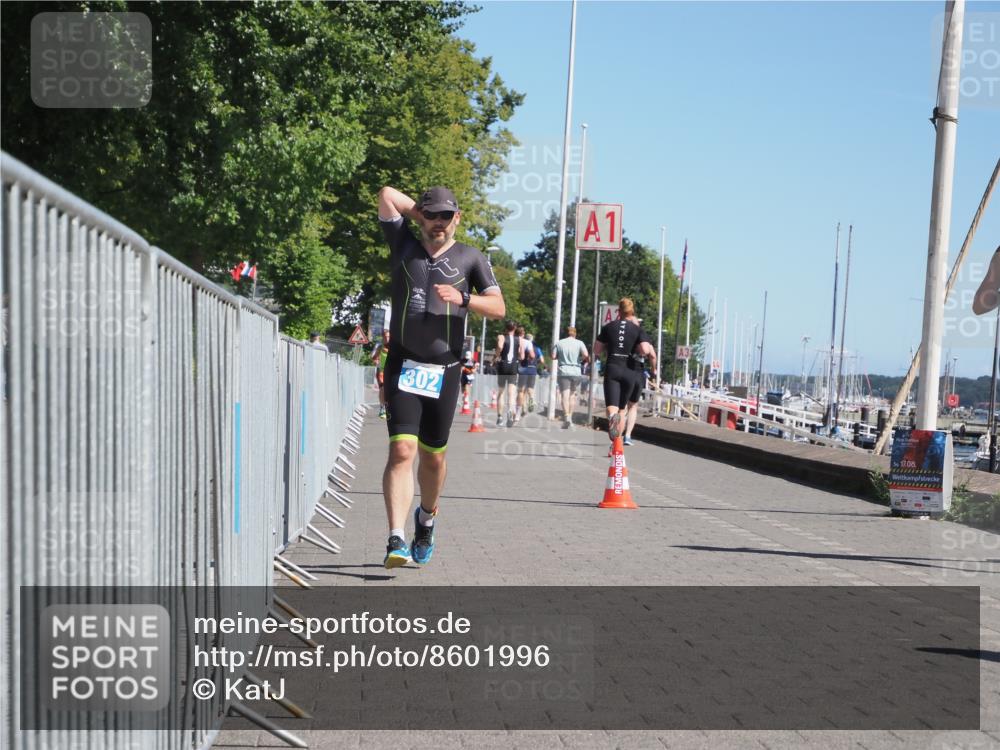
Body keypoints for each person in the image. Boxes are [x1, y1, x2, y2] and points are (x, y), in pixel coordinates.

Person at [377, 185, 505, 568]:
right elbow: (386, 194)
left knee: (433, 458)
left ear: (458, 218)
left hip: (445, 370)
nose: (438, 223)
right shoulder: (403, 243)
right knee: (402, 450)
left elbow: (498, 307)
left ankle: (426, 519)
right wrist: (424, 217)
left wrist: (464, 299)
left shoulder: (471, 258)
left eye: (446, 217)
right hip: (403, 364)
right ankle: (396, 538)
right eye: (433, 215)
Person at [594, 298, 656, 444]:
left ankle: (611, 418)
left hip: (613, 367)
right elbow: (645, 350)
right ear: (632, 311)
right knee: (623, 410)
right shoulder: (637, 329)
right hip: (629, 371)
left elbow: (596, 350)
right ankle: (616, 445)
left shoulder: (608, 327)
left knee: (612, 407)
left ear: (618, 311)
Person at [553, 326, 589, 429]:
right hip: (576, 371)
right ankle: (571, 419)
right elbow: (586, 355)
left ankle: (566, 417)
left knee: (565, 395)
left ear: (566, 333)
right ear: (575, 334)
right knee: (572, 395)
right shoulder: (580, 343)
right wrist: (579, 358)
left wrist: (561, 357)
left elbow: (553, 356)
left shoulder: (559, 343)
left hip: (564, 371)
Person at [495, 320, 528, 427]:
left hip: (503, 364)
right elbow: (522, 356)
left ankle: (500, 417)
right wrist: (517, 356)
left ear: (506, 328)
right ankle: (510, 412)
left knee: (501, 392)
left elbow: (500, 347)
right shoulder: (520, 339)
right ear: (515, 329)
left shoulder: (501, 337)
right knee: (511, 392)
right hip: (513, 365)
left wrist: (497, 355)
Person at [518, 332, 544, 415]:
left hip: (523, 369)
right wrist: (536, 363)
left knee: (522, 391)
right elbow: (542, 361)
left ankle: (523, 408)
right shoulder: (537, 348)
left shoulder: (522, 346)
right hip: (533, 369)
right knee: (530, 389)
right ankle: (531, 401)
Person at [371, 330, 391, 419]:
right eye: (385, 337)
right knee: (382, 388)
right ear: (383, 338)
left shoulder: (394, 346)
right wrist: (376, 361)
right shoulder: (380, 347)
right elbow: (374, 357)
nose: (387, 338)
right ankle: (382, 408)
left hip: (391, 371)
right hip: (382, 371)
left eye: (388, 337)